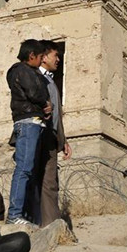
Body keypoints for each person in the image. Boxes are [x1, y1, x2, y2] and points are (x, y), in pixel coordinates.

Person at [5, 39, 51, 227]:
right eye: (40, 57)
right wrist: (45, 104)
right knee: (23, 169)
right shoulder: (23, 71)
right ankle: (14, 214)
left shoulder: (24, 71)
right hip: (28, 122)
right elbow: (33, 92)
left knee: (27, 169)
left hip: (31, 122)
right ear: (31, 56)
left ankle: (22, 214)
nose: (41, 61)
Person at [33, 40, 71, 226]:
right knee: (32, 178)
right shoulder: (32, 76)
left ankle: (51, 225)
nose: (58, 59)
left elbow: (57, 114)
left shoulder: (50, 81)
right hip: (35, 134)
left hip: (51, 137)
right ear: (44, 57)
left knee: (49, 182)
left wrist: (62, 140)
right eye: (55, 55)